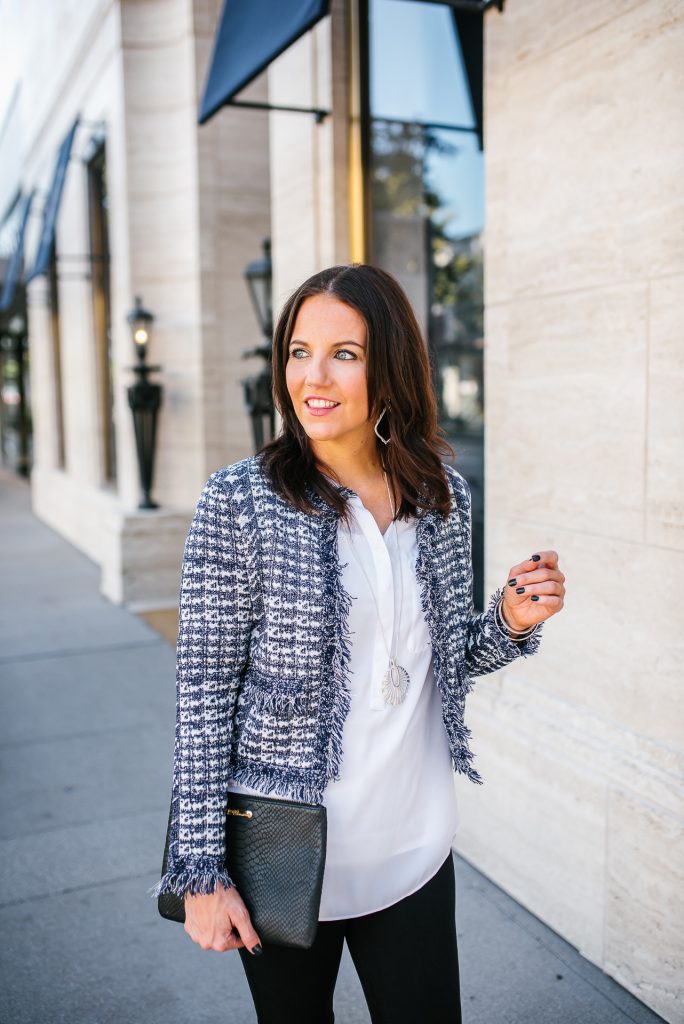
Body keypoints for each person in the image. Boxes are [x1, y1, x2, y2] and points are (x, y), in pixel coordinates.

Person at [149, 263, 565, 1023]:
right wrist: (200, 870)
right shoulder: (239, 502)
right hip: (284, 851)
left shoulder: (441, 493)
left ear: (391, 366)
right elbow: (203, 698)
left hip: (412, 845)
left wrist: (510, 619)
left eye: (345, 353)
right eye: (299, 350)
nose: (313, 375)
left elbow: (442, 664)